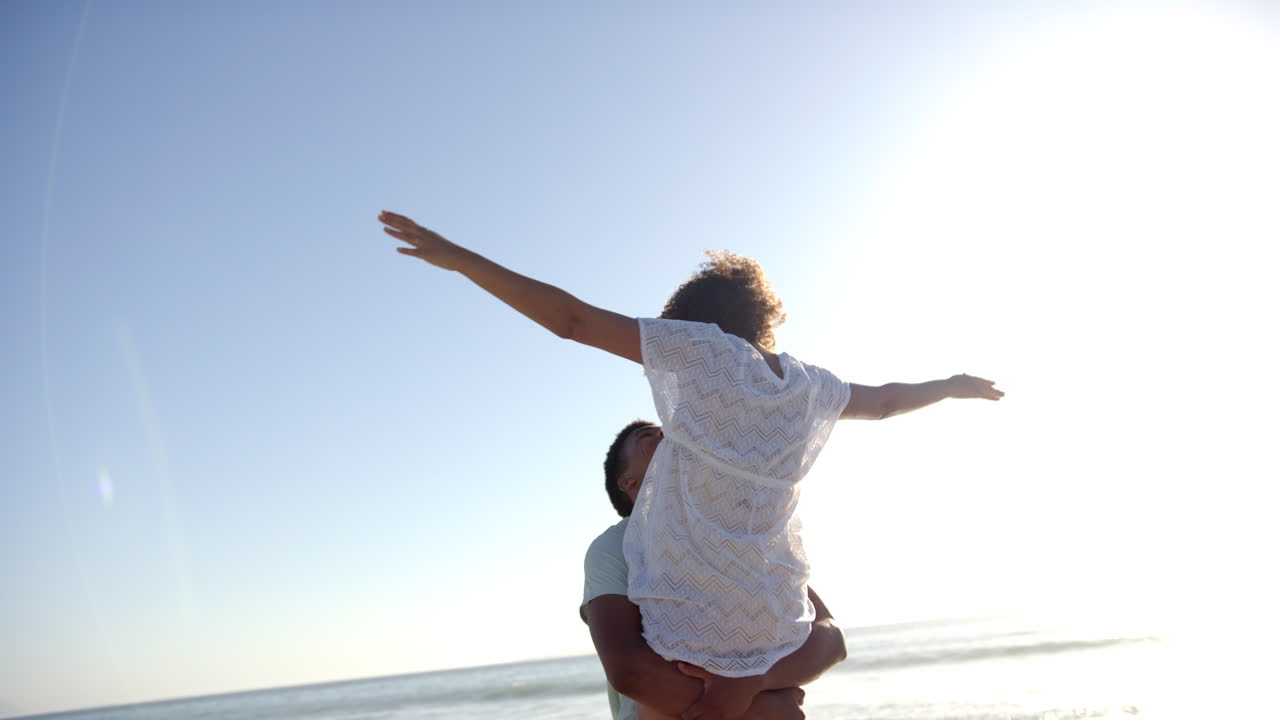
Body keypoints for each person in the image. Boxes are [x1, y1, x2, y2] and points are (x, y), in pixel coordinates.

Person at [377, 210, 1003, 719]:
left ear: (691, 324)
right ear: (764, 322)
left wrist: (461, 260)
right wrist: (948, 385)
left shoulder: (699, 352)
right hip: (773, 614)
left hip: (692, 629)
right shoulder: (809, 386)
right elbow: (889, 402)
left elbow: (572, 320)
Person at [583, 419, 849, 720]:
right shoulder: (614, 546)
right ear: (628, 482)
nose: (670, 436)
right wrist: (755, 707)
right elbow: (629, 669)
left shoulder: (737, 537)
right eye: (650, 437)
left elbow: (830, 636)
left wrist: (756, 681)